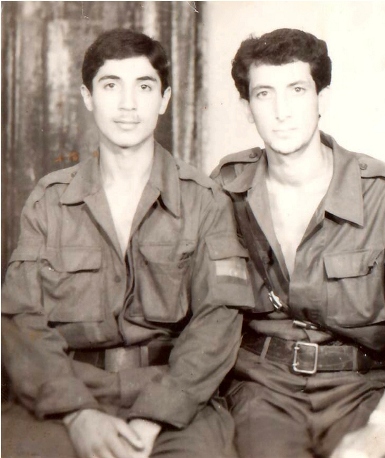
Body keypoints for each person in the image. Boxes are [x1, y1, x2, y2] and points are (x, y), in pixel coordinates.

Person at [1, 28, 254, 458]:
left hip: (174, 396)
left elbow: (218, 321)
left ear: (165, 99)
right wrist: (77, 413)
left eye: (144, 86)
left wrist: (156, 415)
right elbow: (19, 318)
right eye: (110, 85)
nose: (127, 104)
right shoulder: (49, 200)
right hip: (69, 393)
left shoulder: (204, 199)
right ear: (87, 97)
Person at [211, 28, 385, 458]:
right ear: (247, 108)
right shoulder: (225, 188)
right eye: (265, 94)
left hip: (360, 388)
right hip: (261, 389)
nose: (282, 111)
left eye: (297, 90)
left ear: (321, 99)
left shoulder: (381, 192)